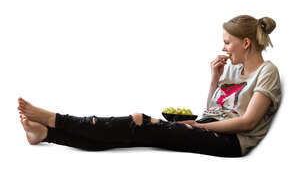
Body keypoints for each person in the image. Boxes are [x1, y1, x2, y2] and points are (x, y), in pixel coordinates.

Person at [17, 15, 281, 157]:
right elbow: (213, 109)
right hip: (210, 126)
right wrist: (214, 78)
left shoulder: (267, 72)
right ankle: (47, 134)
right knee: (134, 132)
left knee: (139, 122)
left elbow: (247, 123)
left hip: (230, 143)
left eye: (227, 42)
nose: (223, 48)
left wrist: (198, 126)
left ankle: (55, 120)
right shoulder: (233, 68)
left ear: (246, 43)